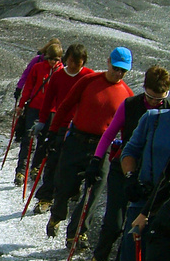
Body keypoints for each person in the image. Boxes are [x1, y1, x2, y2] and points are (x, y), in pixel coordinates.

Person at [86, 66, 170, 261]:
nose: (154, 103)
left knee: (133, 230)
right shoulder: (130, 105)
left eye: (160, 99)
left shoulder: (167, 112)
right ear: (144, 89)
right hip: (122, 171)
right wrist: (96, 160)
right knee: (114, 222)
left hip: (150, 179)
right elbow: (109, 134)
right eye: (150, 97)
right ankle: (98, 260)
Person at [45, 47, 133, 247]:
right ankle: (57, 215)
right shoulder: (89, 81)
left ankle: (76, 233)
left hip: (103, 148)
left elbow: (129, 127)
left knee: (93, 193)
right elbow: (66, 105)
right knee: (64, 187)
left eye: (123, 71)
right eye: (116, 68)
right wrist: (52, 132)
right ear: (109, 62)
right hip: (76, 140)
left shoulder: (127, 95)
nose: (118, 73)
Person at [105, 103, 170, 261]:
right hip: (143, 201)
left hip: (167, 208)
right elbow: (129, 151)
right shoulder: (153, 119)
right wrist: (131, 177)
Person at [31, 43, 92, 213]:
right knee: (52, 162)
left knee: (74, 165)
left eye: (78, 63)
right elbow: (48, 100)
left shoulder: (89, 77)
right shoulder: (58, 76)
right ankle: (45, 198)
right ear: (66, 59)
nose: (73, 66)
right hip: (59, 125)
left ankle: (70, 193)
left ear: (83, 62)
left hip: (80, 128)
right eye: (71, 61)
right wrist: (42, 122)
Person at [14, 41, 63, 185]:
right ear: (46, 57)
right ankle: (21, 171)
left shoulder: (61, 72)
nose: (53, 62)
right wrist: (21, 105)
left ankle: (35, 168)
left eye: (56, 59)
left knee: (44, 141)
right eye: (50, 59)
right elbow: (28, 87)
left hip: (51, 111)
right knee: (27, 139)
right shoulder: (37, 67)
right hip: (34, 108)